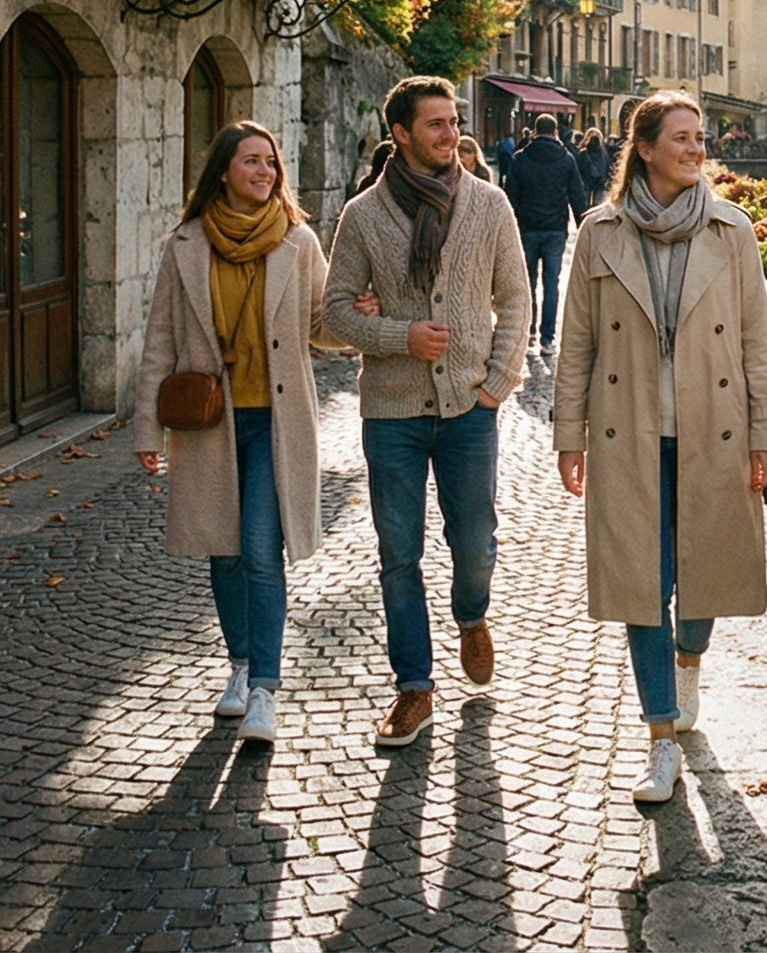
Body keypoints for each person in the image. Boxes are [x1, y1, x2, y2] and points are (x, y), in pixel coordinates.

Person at [552, 93, 767, 803]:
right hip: (628, 432)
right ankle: (660, 740)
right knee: (641, 586)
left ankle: (691, 662)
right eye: (681, 139)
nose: (696, 149)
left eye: (700, 138)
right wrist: (570, 435)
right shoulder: (599, 233)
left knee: (705, 567)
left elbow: (755, 342)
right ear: (644, 148)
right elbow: (579, 345)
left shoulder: (732, 230)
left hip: (713, 427)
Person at [323, 76, 533, 747]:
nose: (450, 134)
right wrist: (397, 338)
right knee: (397, 554)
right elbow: (329, 312)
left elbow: (517, 299)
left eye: (453, 121)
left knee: (475, 544)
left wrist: (497, 384)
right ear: (403, 135)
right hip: (391, 412)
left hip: (470, 406)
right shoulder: (362, 215)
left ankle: (472, 616)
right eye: (436, 124)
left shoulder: (489, 205)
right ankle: (414, 688)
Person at [132, 123, 342, 746]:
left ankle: (264, 692)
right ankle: (241, 664)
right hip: (209, 422)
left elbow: (319, 326)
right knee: (222, 552)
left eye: (270, 162)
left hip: (276, 423)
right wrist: (147, 425)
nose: (265, 172)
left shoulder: (298, 242)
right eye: (251, 162)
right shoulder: (186, 244)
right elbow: (160, 341)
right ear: (222, 171)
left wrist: (358, 315)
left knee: (258, 550)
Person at [505, 114, 588, 357]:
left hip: (528, 228)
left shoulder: (520, 159)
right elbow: (577, 195)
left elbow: (511, 194)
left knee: (528, 282)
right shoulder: (566, 159)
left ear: (533, 130)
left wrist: (515, 221)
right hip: (555, 229)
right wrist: (583, 225)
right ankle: (548, 339)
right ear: (555, 132)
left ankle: (529, 334)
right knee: (551, 283)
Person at [578, 128, 613, 208]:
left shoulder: (583, 152)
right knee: (597, 205)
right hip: (600, 181)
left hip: (586, 182)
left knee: (585, 204)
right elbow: (608, 166)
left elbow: (578, 168)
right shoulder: (604, 153)